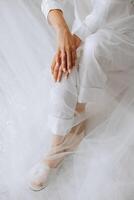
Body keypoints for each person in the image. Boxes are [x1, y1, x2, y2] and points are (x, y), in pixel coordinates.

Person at [28, 0, 134, 191]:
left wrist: (73, 39)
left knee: (90, 46)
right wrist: (62, 31)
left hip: (125, 35)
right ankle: (57, 146)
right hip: (86, 33)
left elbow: (104, 12)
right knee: (70, 57)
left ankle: (79, 112)